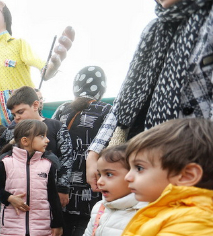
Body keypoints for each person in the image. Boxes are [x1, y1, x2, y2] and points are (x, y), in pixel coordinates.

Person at [85, 0, 213, 192]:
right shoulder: (153, 28)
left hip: (188, 162)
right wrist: (94, 153)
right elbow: (125, 98)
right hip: (138, 156)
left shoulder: (208, 21)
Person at [0, 0, 74, 127]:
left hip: (22, 114)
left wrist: (50, 68)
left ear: (1, 6)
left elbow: (39, 64)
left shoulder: (17, 44)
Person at [51, 66, 111, 236]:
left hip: (61, 173)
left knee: (62, 215)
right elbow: (108, 140)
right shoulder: (107, 110)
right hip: (89, 174)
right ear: (101, 89)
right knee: (85, 219)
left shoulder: (63, 108)